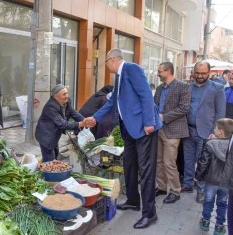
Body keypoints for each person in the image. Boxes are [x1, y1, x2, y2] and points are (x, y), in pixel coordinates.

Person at [86, 49, 162, 229]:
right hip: (129, 129)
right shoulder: (119, 76)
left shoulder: (131, 69)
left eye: (106, 62)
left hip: (144, 129)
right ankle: (133, 201)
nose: (106, 65)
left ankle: (150, 214)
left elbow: (146, 95)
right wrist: (95, 118)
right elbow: (113, 102)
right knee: (129, 165)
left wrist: (149, 122)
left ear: (111, 60)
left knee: (146, 171)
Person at [182, 61, 226, 204]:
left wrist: (216, 131)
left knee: (202, 163)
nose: (200, 76)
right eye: (198, 73)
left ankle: (201, 189)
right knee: (188, 160)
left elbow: (220, 111)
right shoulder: (187, 87)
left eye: (203, 73)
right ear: (194, 72)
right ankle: (188, 184)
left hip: (206, 132)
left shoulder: (217, 88)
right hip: (188, 129)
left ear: (209, 73)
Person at [154, 62, 191, 204]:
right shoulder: (158, 88)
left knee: (169, 162)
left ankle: (175, 191)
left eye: (160, 71)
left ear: (168, 71)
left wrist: (164, 116)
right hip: (159, 129)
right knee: (159, 161)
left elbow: (184, 108)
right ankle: (162, 187)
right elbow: (154, 105)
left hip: (174, 131)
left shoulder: (183, 87)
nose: (157, 73)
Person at [195, 118, 233, 235]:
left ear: (220, 131)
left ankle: (205, 222)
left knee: (208, 201)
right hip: (226, 183)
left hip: (211, 181)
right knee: (222, 204)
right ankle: (219, 226)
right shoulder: (231, 146)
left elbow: (203, 162)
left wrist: (198, 176)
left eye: (216, 128)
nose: (214, 129)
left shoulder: (210, 144)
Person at [35, 84, 85, 162]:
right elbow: (62, 124)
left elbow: (73, 113)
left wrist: (85, 121)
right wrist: (79, 124)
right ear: (56, 97)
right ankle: (47, 173)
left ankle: (52, 167)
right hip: (45, 135)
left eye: (67, 93)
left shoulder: (67, 101)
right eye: (64, 94)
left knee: (56, 153)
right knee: (49, 160)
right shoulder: (51, 106)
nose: (66, 96)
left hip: (54, 134)